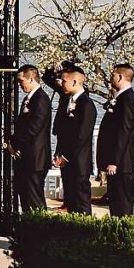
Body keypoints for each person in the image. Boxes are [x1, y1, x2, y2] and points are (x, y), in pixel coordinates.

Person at [96, 64, 134, 217]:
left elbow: (124, 132)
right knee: (115, 201)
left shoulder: (127, 99)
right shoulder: (121, 98)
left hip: (122, 163)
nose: (110, 78)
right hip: (118, 162)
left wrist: (114, 161)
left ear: (120, 77)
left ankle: (124, 234)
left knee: (122, 203)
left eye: (112, 75)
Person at [7, 65, 52, 212]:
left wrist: (14, 144)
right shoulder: (30, 98)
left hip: (36, 158)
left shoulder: (41, 99)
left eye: (21, 81)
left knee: (34, 198)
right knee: (25, 196)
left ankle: (40, 231)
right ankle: (28, 229)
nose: (19, 85)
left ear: (31, 78)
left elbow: (34, 128)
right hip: (26, 157)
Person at [52, 66, 96, 215]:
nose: (61, 83)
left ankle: (85, 233)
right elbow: (64, 132)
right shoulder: (68, 102)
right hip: (67, 161)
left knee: (81, 202)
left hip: (79, 162)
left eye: (64, 81)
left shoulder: (86, 104)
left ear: (75, 81)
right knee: (71, 201)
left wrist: (66, 156)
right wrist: (58, 153)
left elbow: (82, 136)